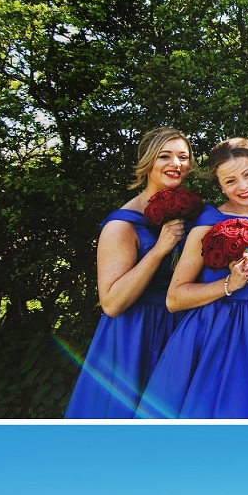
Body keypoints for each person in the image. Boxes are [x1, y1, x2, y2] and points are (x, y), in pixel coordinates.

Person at [137, 137, 248, 419]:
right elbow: (174, 299)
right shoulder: (208, 222)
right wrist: (229, 285)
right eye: (230, 180)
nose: (243, 186)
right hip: (213, 333)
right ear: (220, 185)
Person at [65, 127, 194, 419]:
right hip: (135, 336)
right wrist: (159, 250)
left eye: (183, 157)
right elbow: (111, 303)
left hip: (182, 331)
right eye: (166, 156)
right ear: (148, 162)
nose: (176, 164)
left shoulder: (193, 216)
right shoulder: (121, 225)